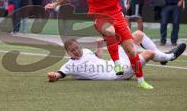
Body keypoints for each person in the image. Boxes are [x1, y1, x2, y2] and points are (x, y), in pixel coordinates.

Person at [45, 0, 153, 89]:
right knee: (110, 31)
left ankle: (141, 81)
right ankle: (117, 62)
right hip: (99, 17)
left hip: (117, 15)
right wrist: (55, 3)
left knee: (131, 51)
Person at [47, 31, 186, 85]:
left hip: (116, 63)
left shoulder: (86, 51)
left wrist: (99, 46)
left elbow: (97, 58)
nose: (76, 51)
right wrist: (54, 75)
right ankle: (170, 56)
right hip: (118, 73)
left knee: (137, 35)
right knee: (148, 54)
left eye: (77, 48)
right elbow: (59, 74)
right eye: (72, 51)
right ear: (68, 53)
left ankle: (163, 58)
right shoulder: (69, 65)